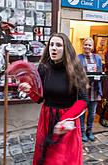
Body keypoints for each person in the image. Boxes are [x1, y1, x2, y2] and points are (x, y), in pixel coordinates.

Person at [18, 33, 89, 165]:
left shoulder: (75, 69)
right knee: (46, 159)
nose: (53, 48)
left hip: (68, 121)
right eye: (51, 45)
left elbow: (83, 100)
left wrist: (65, 120)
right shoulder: (44, 68)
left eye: (58, 45)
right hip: (46, 119)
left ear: (66, 48)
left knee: (63, 160)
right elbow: (40, 99)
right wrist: (30, 91)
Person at [78, 37, 103, 142]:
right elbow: (75, 74)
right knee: (82, 114)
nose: (87, 47)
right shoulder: (78, 58)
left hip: (94, 91)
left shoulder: (97, 58)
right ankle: (82, 133)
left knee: (92, 114)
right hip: (83, 91)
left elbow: (100, 72)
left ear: (92, 47)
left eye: (89, 45)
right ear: (83, 46)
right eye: (85, 44)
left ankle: (89, 131)